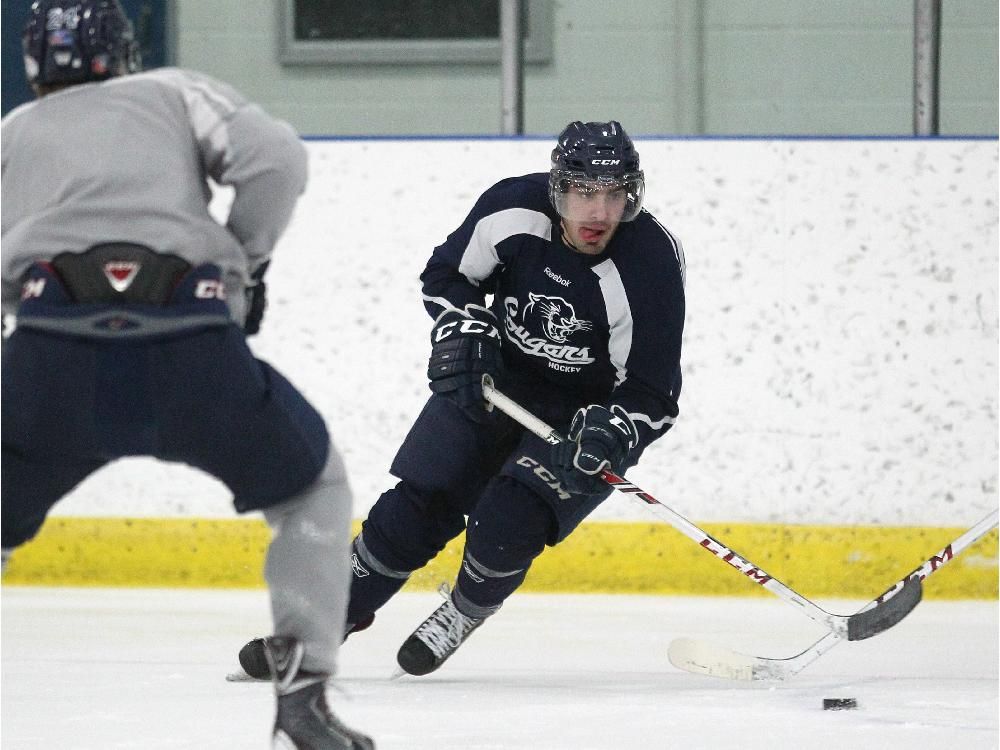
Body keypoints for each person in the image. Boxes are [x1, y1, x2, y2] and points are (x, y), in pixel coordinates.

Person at [0, 3, 373, 748]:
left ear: (34, 61)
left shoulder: (12, 133)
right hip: (189, 344)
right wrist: (245, 263)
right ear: (124, 51)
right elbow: (276, 159)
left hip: (50, 356)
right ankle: (303, 694)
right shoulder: (171, 91)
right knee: (313, 488)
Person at [239, 119, 685, 679]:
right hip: (495, 381)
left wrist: (615, 430)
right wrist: (465, 326)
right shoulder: (512, 209)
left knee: (507, 526)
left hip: (581, 417)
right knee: (411, 511)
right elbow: (448, 275)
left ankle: (464, 611)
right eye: (584, 193)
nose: (599, 212)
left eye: (614, 194)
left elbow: (652, 389)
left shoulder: (649, 263)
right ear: (558, 189)